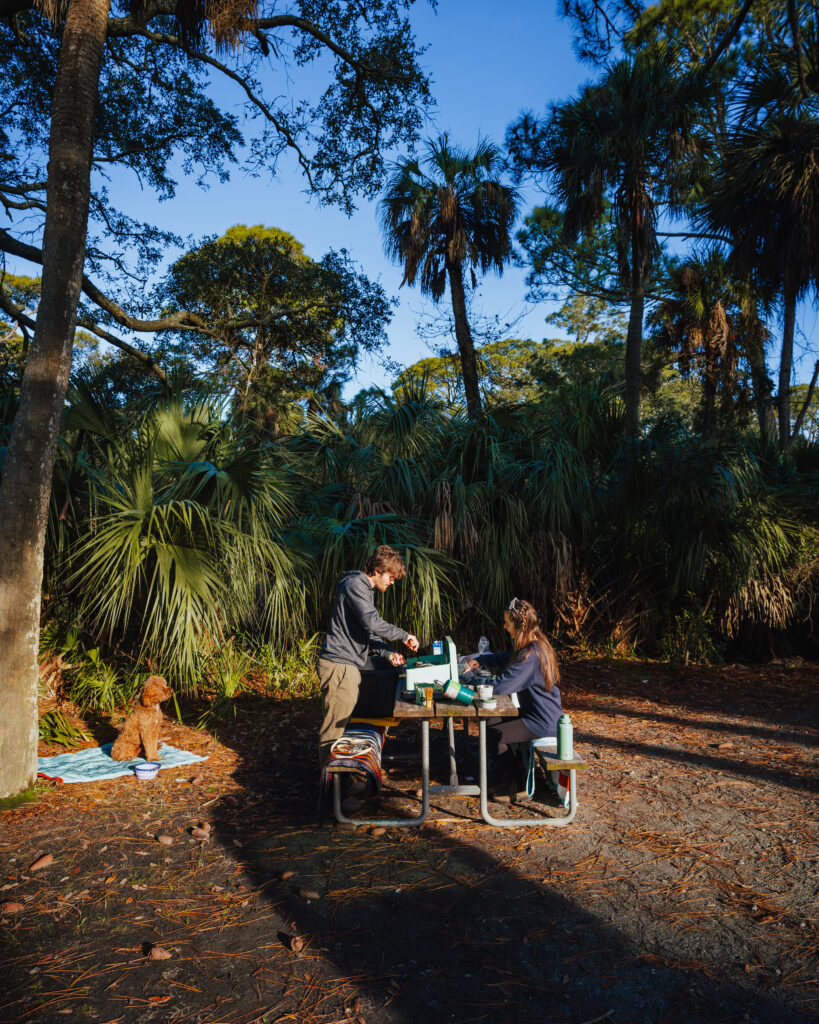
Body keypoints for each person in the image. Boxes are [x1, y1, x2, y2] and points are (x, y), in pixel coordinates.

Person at [318, 544, 419, 766]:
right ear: (379, 569)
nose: (392, 582)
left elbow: (368, 631)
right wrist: (403, 635)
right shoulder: (356, 585)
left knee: (340, 726)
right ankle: (330, 790)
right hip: (339, 665)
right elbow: (372, 622)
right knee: (334, 729)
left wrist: (388, 652)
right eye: (391, 577)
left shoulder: (362, 589)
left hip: (346, 666)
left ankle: (338, 783)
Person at [467, 597, 562, 800]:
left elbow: (502, 685)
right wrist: (480, 660)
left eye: (507, 623)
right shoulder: (530, 646)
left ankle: (517, 785)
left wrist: (471, 682)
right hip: (536, 714)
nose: (504, 626)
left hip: (541, 721)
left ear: (519, 626)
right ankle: (516, 773)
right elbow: (503, 658)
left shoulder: (530, 656)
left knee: (494, 735)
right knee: (491, 721)